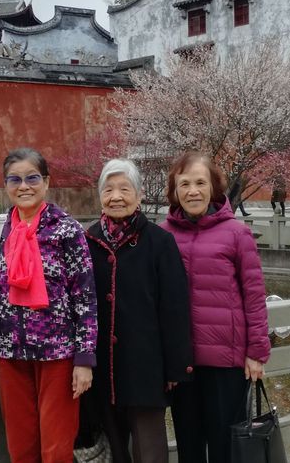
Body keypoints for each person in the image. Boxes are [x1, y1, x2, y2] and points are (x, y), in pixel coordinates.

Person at [0, 147, 97, 463]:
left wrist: (85, 358)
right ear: (6, 184)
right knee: (20, 446)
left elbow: (84, 297)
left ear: (46, 181)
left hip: (58, 353)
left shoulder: (66, 229)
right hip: (9, 351)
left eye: (32, 178)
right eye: (14, 179)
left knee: (56, 448)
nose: (24, 186)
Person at [160, 151, 271, 463]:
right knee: (189, 445)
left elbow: (254, 296)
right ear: (175, 191)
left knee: (226, 446)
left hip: (226, 362)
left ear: (213, 187)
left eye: (200, 183)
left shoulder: (237, 233)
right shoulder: (163, 235)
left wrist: (256, 352)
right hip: (183, 363)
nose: (192, 191)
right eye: (184, 184)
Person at [84, 158, 193, 463]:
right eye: (108, 189)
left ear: (140, 194)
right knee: (113, 449)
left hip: (146, 368)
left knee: (149, 449)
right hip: (102, 366)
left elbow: (174, 307)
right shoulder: (88, 240)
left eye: (124, 189)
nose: (116, 197)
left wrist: (175, 366)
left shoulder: (160, 241)